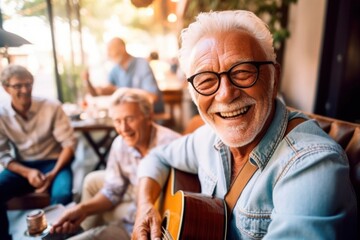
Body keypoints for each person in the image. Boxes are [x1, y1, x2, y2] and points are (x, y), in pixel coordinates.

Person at [131, 10, 358, 239]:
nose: (226, 94)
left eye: (242, 72)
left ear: (274, 78)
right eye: (207, 80)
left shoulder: (310, 167)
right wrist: (145, 206)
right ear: (193, 94)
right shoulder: (208, 138)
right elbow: (156, 157)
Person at [50, 88, 181, 239]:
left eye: (130, 119)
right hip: (132, 224)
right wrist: (82, 209)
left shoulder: (172, 145)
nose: (124, 128)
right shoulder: (120, 144)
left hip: (165, 228)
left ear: (149, 116)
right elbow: (113, 190)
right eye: (118, 121)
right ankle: (79, 228)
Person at [0, 64, 77, 240]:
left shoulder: (51, 106)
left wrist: (53, 174)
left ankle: (55, 237)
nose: (25, 90)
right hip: (22, 165)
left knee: (63, 194)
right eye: (18, 86)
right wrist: (27, 172)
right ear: (6, 88)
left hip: (55, 162)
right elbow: (2, 153)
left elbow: (69, 144)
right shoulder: (1, 114)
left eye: (28, 84)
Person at [83, 37, 165, 113]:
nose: (108, 54)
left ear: (122, 48)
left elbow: (152, 97)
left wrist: (121, 91)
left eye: (111, 50)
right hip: (127, 114)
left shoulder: (142, 64)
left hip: (149, 114)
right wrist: (87, 81)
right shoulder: (114, 70)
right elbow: (97, 94)